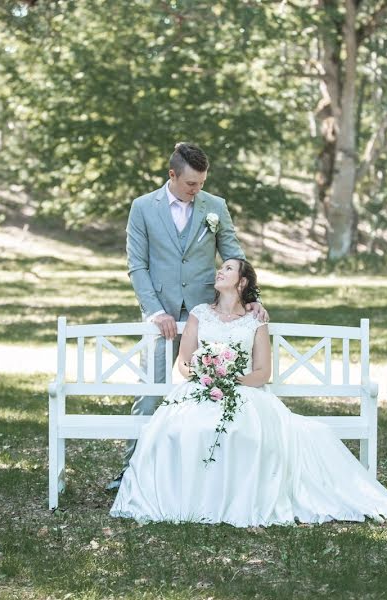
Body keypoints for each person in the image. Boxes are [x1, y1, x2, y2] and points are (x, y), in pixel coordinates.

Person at [110, 259, 387, 526]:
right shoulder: (198, 313)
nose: (219, 271)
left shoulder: (255, 322)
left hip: (242, 391)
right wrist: (207, 376)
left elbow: (262, 373)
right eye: (220, 268)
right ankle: (186, 501)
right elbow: (183, 364)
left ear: (240, 283)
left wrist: (230, 383)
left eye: (227, 269)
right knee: (181, 430)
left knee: (245, 432)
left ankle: (237, 500)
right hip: (200, 388)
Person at [112, 142, 266, 490]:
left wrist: (251, 297)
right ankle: (130, 472)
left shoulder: (215, 207)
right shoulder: (142, 208)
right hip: (160, 315)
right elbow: (137, 265)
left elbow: (234, 255)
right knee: (151, 393)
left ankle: (203, 477)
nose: (197, 190)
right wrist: (155, 311)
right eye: (190, 184)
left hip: (207, 314)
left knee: (209, 392)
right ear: (172, 175)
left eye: (201, 183)